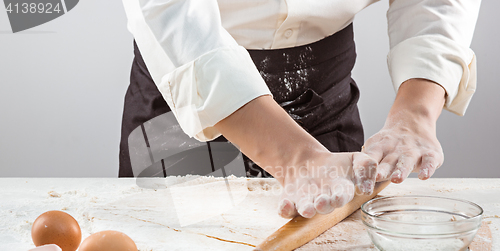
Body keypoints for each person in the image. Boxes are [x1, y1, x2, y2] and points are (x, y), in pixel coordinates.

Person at [119, 0, 480, 219]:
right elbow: (171, 14)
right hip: (187, 98)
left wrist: (414, 112)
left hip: (324, 100)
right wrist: (296, 157)